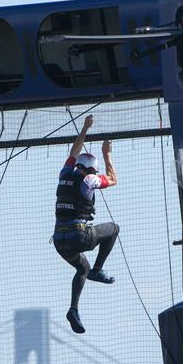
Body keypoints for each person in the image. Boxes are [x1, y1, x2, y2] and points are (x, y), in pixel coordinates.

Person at [53, 114, 119, 335]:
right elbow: (112, 179)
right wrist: (107, 155)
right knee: (113, 229)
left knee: (82, 267)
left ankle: (73, 309)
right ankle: (98, 270)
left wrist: (85, 127)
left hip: (60, 241)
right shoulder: (89, 180)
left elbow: (73, 151)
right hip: (79, 236)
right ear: (92, 169)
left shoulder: (64, 173)